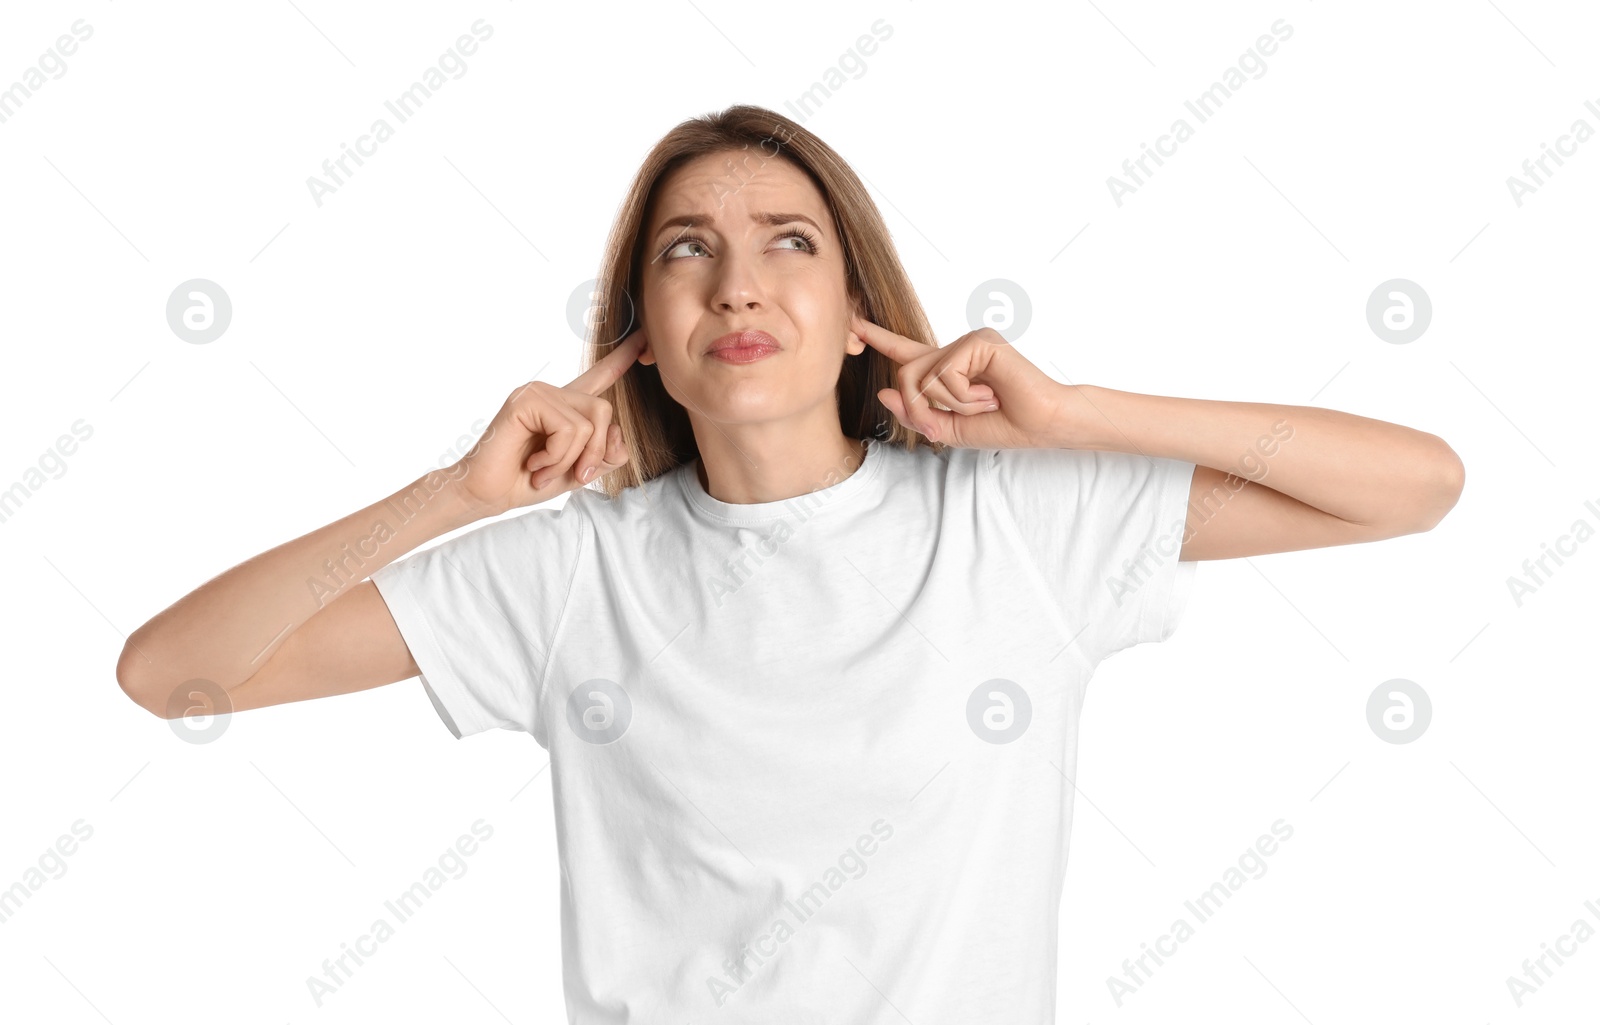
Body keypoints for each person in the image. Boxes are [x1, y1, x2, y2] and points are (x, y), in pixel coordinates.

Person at [116, 104, 1465, 1022]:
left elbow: (1415, 486)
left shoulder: (1016, 522)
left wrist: (1077, 415)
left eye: (789, 245)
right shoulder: (568, 575)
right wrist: (450, 495)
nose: (739, 285)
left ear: (853, 309)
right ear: (642, 326)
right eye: (687, 252)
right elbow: (174, 672)